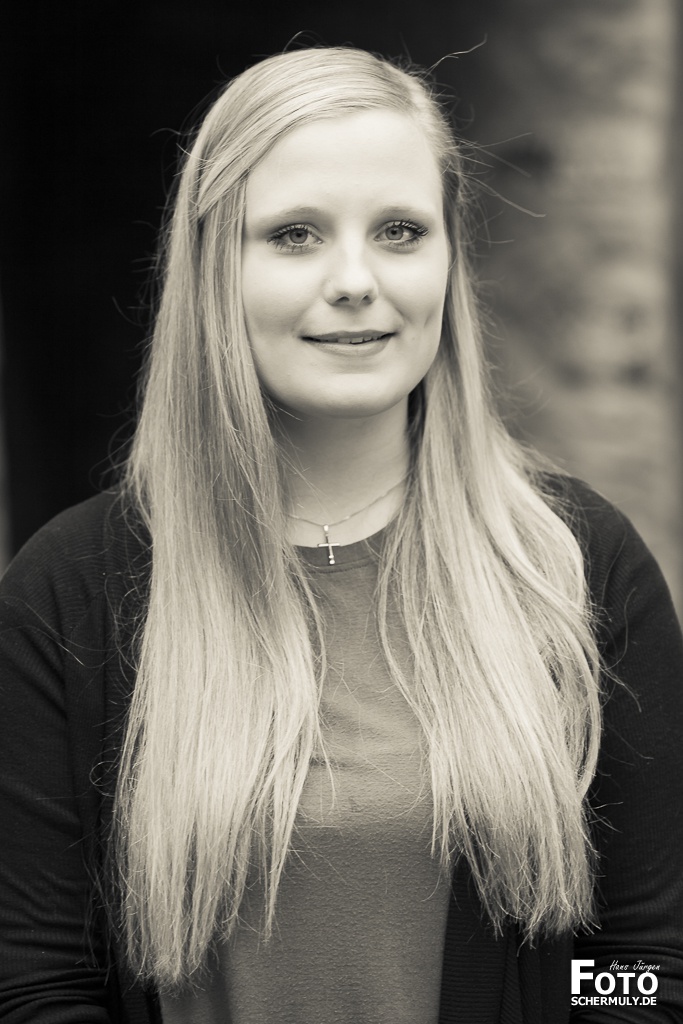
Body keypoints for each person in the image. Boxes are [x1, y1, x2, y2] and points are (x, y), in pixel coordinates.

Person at [1, 46, 682, 1024]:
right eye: (295, 235)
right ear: (214, 268)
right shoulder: (67, 593)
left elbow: (642, 964)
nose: (356, 280)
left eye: (400, 231)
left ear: (448, 258)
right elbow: (35, 984)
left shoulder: (577, 567)